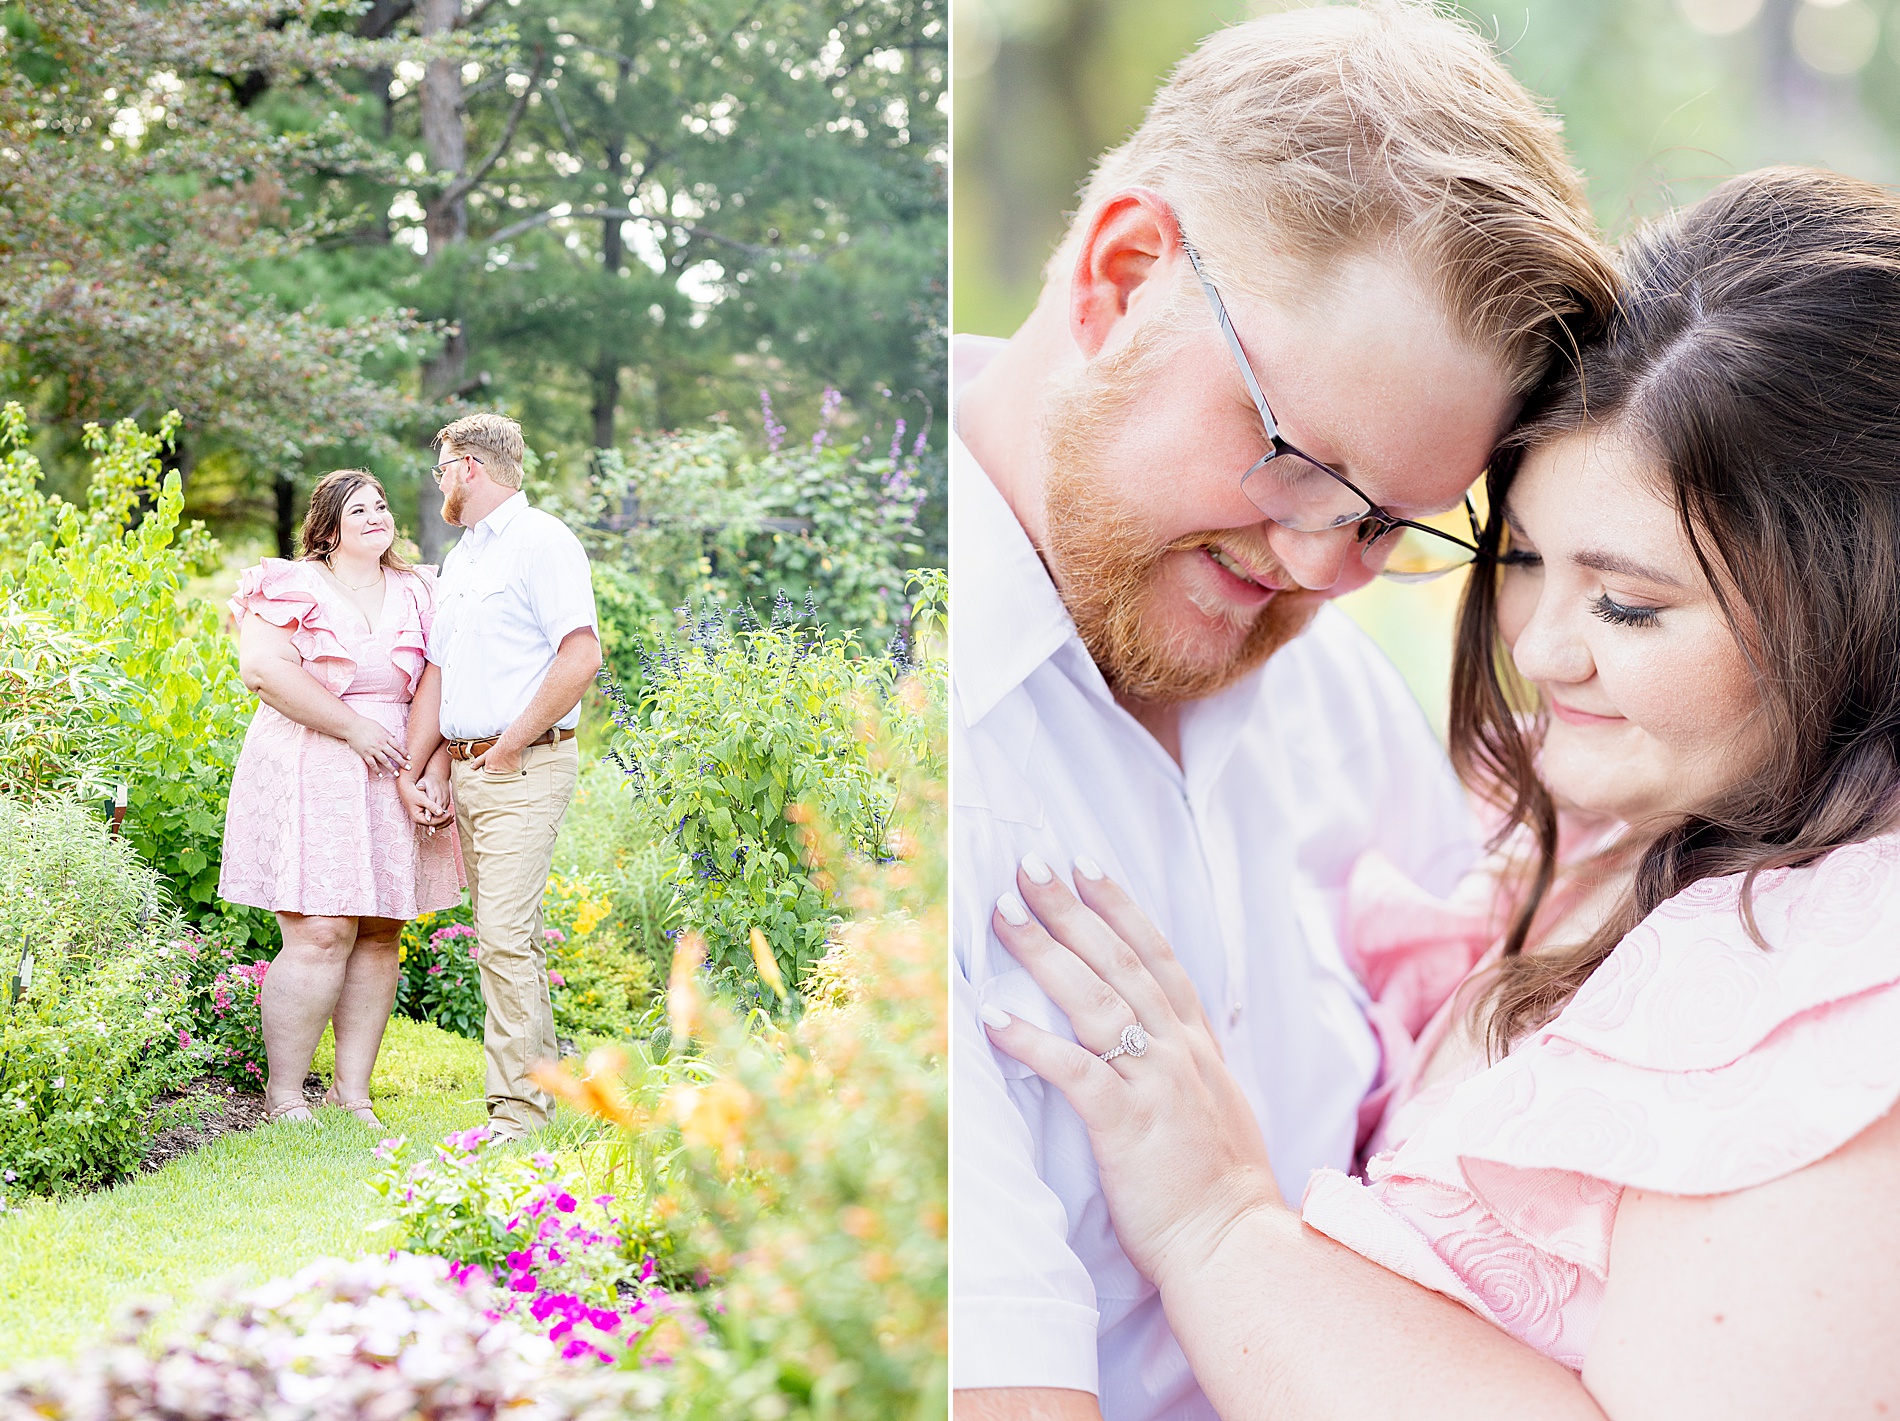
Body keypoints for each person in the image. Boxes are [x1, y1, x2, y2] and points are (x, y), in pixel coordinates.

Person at [983, 167, 1900, 1418]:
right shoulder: (1599, 813)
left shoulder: (1853, 1003)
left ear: (1856, 611)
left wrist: (1219, 1222)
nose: (1539, 645)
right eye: (1519, 557)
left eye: (1627, 602)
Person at [950, 8, 1616, 1419]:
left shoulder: (1336, 701)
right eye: (1299, 464)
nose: (1322, 569)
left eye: (1390, 523)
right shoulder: (905, 747)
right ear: (1125, 274)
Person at [220, 469, 465, 1127]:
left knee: (382, 929)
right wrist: (353, 726)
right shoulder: (290, 585)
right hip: (312, 763)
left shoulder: (421, 589)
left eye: (381, 505)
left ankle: (353, 1093)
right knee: (321, 928)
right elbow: (264, 670)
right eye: (358, 509)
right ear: (327, 528)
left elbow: (441, 684)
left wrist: (431, 769)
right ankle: (285, 1096)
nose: (375, 516)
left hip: (398, 768)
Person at [398, 412, 601, 1143]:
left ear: (469, 468)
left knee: (506, 936)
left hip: (525, 763)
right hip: (471, 766)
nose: (441, 482)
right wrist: (423, 767)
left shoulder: (543, 542)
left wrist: (510, 745)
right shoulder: (462, 560)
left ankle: (516, 1113)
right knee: (503, 939)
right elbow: (441, 672)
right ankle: (536, 1094)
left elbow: (581, 656)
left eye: (443, 468)